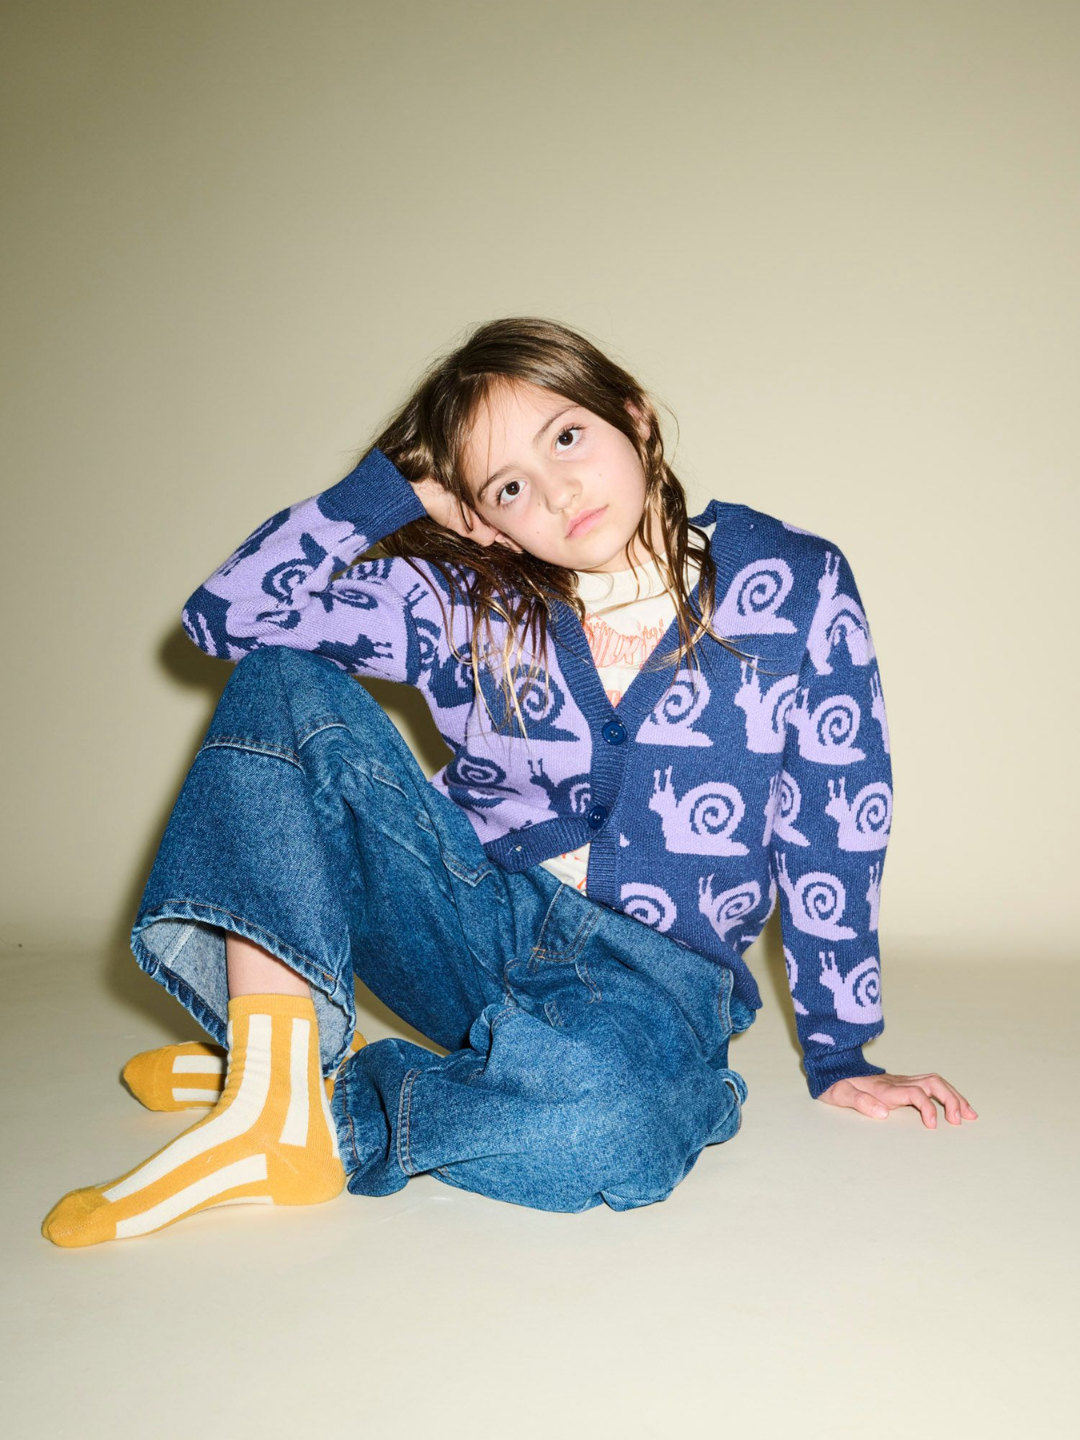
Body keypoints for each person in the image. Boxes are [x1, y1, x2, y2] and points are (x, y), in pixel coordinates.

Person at [42, 316, 977, 1248]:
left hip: (657, 980)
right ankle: (269, 1099)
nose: (558, 489)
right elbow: (227, 621)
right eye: (511, 485)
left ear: (636, 418)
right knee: (282, 680)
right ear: (483, 518)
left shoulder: (794, 584)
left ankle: (305, 1099)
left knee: (614, 1128)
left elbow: (836, 824)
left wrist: (839, 1047)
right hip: (466, 922)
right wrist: (384, 493)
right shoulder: (466, 600)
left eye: (567, 435)